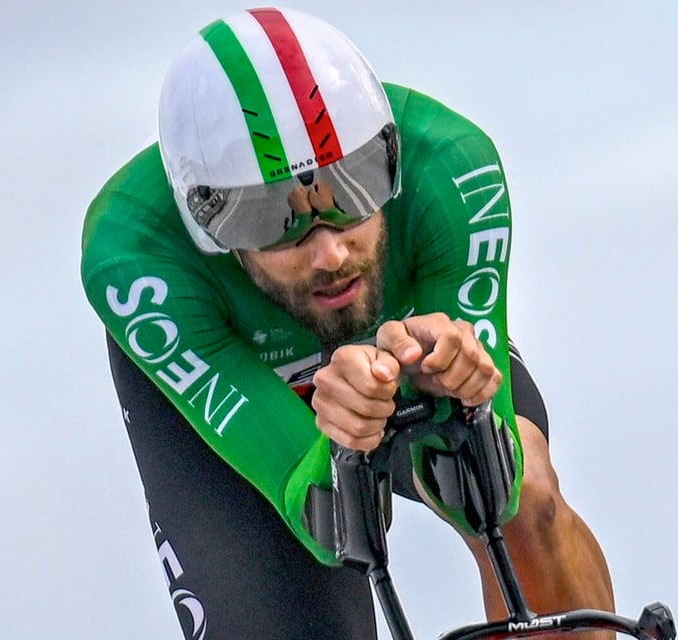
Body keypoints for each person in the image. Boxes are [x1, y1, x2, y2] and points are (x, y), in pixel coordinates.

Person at [81, 7, 616, 638]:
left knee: (519, 487)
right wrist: (340, 446)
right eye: (272, 220)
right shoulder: (136, 258)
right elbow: (322, 514)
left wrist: (451, 393)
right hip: (238, 384)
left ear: (389, 156)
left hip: (403, 339)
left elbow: (484, 492)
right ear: (210, 226)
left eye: (352, 192)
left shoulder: (453, 167)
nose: (329, 253)